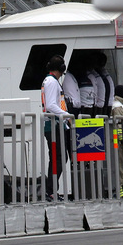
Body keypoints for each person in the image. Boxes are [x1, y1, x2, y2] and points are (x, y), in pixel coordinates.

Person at [42, 55, 74, 199]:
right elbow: (51, 105)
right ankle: (51, 191)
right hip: (53, 125)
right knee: (58, 159)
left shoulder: (50, 81)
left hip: (55, 125)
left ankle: (52, 191)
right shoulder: (51, 82)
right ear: (61, 68)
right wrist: (66, 114)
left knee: (59, 158)